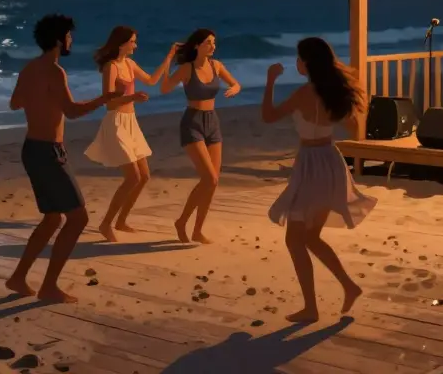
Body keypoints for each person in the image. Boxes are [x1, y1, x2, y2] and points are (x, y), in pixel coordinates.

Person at [4, 13, 130, 303]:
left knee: (52, 219)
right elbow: (72, 111)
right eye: (69, 35)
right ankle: (49, 286)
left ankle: (18, 277)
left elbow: (15, 103)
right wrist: (104, 99)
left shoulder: (29, 69)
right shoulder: (54, 71)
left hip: (32, 149)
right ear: (60, 39)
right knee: (78, 217)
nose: (71, 40)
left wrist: (40, 100)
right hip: (47, 152)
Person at [262, 37, 374, 322]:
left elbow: (269, 116)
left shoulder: (305, 93)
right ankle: (348, 286)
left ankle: (312, 308)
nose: (297, 63)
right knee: (310, 236)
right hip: (330, 161)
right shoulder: (333, 91)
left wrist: (270, 81)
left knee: (295, 239)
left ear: (307, 63)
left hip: (311, 164)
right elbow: (351, 127)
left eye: (299, 59)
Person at [85, 26, 178, 242]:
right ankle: (105, 224)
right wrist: (131, 98)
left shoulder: (130, 64)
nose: (136, 45)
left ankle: (121, 220)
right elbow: (108, 103)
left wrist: (170, 56)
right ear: (122, 43)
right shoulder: (111, 67)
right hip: (116, 123)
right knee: (132, 177)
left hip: (131, 123)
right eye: (133, 41)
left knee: (144, 176)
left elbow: (152, 80)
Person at [160, 28, 240, 244]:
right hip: (192, 123)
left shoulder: (217, 66)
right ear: (197, 45)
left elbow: (235, 83)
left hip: (212, 122)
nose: (213, 46)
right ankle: (181, 222)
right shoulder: (187, 69)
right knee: (209, 178)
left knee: (213, 183)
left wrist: (235, 88)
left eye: (214, 42)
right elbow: (165, 88)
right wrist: (169, 58)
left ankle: (197, 230)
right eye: (208, 42)